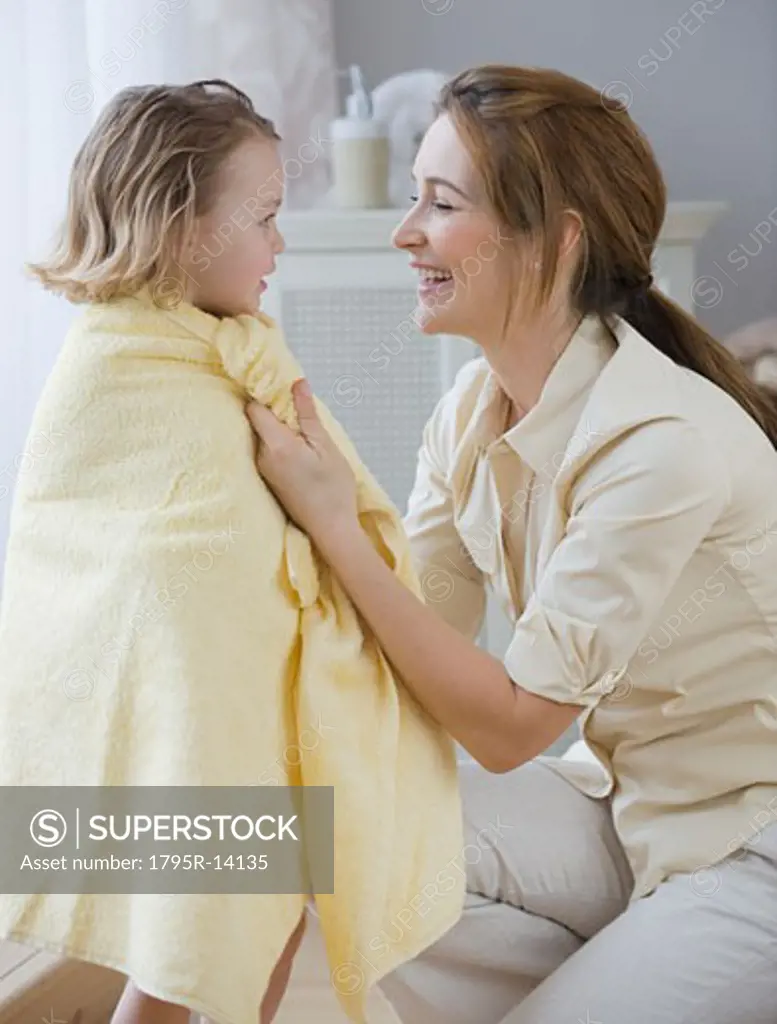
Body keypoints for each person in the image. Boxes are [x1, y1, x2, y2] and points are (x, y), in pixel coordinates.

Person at [247, 64, 777, 1023]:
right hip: (627, 810)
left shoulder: (661, 443)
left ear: (557, 239)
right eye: (412, 197)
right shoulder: (471, 411)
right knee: (331, 828)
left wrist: (334, 524)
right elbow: (415, 634)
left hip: (754, 850)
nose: (405, 232)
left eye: (441, 204)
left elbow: (505, 727)